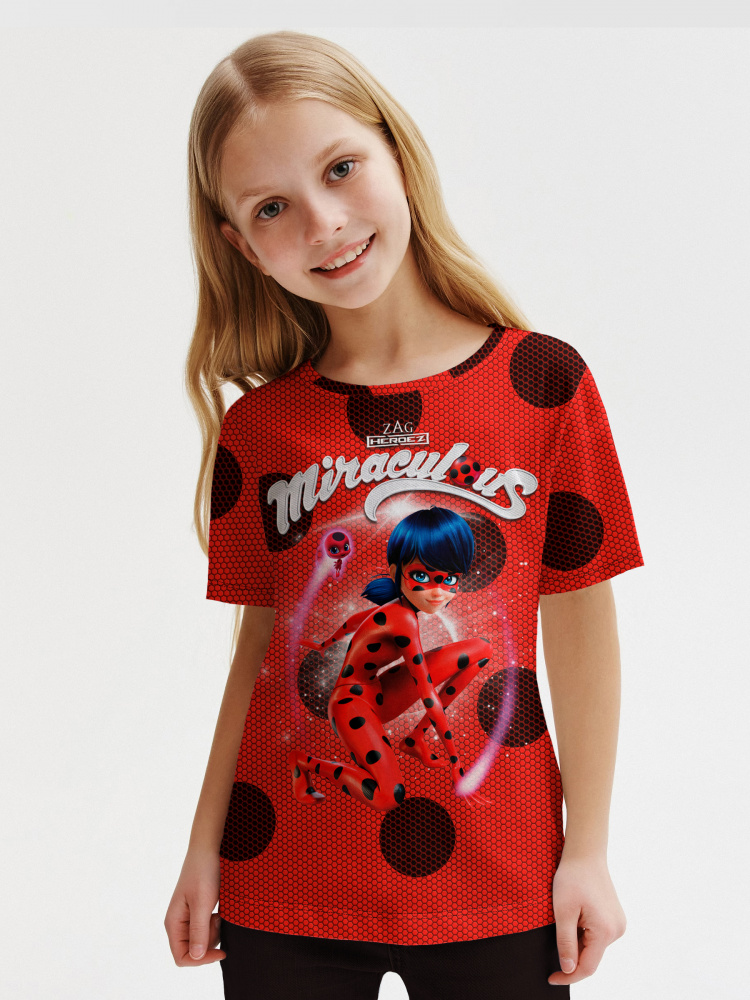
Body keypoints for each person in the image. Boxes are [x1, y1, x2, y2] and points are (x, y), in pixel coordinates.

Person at [164, 30, 645, 1000]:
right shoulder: (261, 429)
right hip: (283, 883)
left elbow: (580, 620)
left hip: (501, 879)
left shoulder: (544, 383)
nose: (325, 223)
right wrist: (202, 845)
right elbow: (257, 654)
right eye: (271, 207)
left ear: (396, 147)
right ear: (241, 244)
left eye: (340, 168)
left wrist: (587, 848)